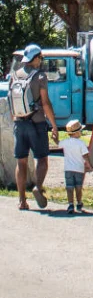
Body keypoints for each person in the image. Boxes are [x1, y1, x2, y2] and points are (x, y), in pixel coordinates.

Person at [8, 43, 59, 210]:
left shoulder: (14, 75)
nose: (41, 61)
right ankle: (38, 186)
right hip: (36, 123)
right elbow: (45, 103)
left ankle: (22, 201)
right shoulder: (40, 76)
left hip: (19, 123)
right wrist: (54, 126)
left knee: (21, 162)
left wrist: (15, 120)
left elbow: (10, 101)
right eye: (40, 58)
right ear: (36, 58)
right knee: (42, 158)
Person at [61, 119, 92, 214]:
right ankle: (79, 203)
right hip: (79, 169)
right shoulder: (81, 143)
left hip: (68, 169)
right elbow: (85, 156)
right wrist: (89, 165)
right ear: (77, 132)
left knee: (69, 187)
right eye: (81, 131)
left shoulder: (65, 142)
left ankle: (70, 204)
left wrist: (54, 136)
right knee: (79, 187)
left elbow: (57, 143)